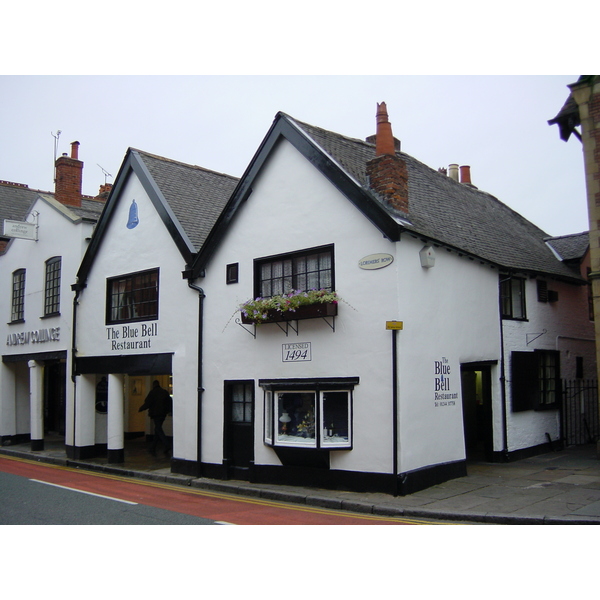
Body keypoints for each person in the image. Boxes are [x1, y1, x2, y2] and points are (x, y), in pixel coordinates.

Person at [139, 380, 172, 457]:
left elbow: (148, 402)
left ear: (153, 385)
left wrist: (141, 408)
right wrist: (169, 411)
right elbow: (169, 401)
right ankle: (152, 447)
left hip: (156, 413)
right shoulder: (164, 392)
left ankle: (166, 444)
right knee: (157, 429)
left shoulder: (152, 393)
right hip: (163, 413)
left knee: (158, 429)